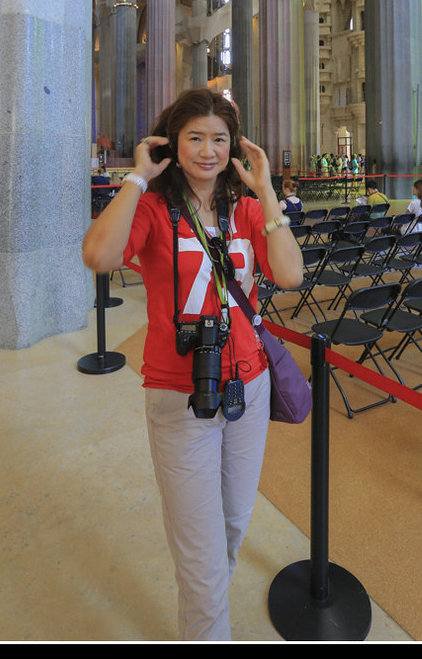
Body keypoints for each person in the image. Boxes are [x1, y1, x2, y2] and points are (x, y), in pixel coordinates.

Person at [82, 88, 303, 641]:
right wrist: (137, 178)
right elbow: (99, 256)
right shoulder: (154, 209)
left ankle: (203, 618)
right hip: (179, 395)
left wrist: (266, 190)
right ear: (172, 145)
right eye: (195, 138)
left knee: (231, 528)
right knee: (200, 557)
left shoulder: (247, 210)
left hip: (248, 388)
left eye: (219, 139)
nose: (208, 151)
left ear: (235, 146)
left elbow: (290, 274)